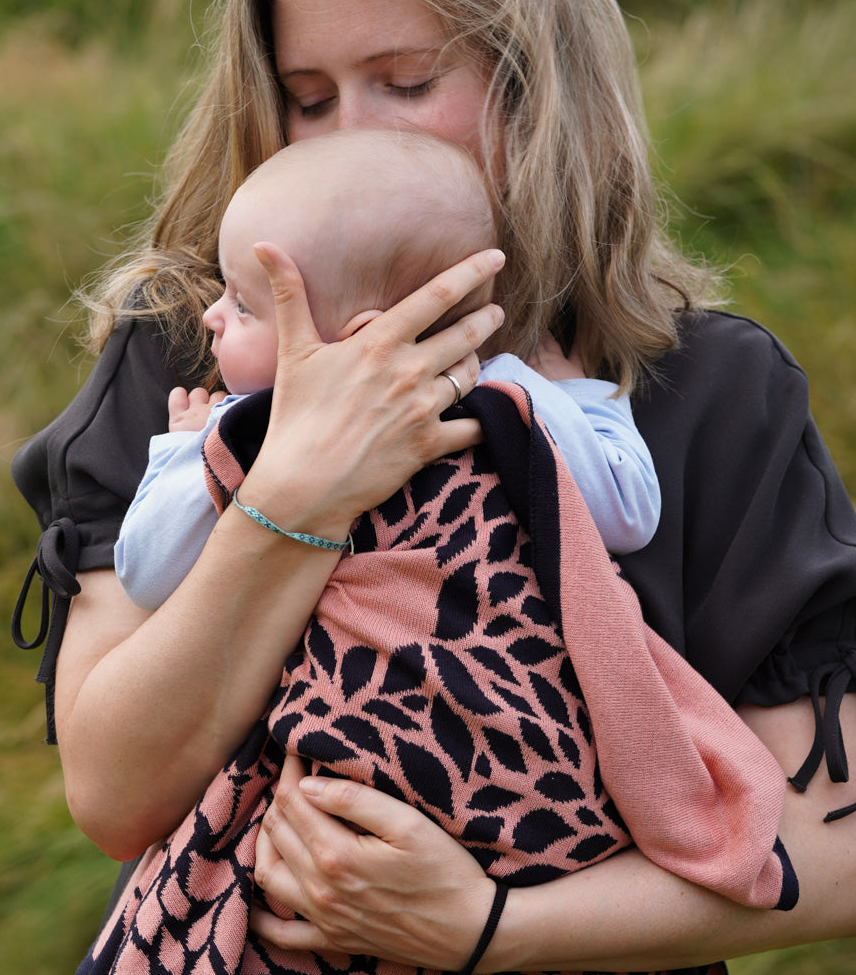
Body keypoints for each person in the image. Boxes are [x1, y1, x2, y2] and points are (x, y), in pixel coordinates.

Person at [0, 0, 856, 975]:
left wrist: (482, 922)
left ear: (533, 79)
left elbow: (843, 864)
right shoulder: (188, 356)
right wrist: (301, 484)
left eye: (405, 80)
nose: (348, 134)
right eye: (304, 95)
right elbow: (113, 784)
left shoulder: (696, 394)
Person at [114, 127, 662, 612]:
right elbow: (627, 509)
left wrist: (185, 449)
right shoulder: (508, 395)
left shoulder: (247, 430)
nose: (212, 314)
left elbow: (147, 574)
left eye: (242, 305)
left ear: (363, 340)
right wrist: (577, 395)